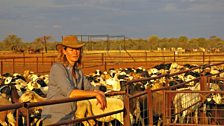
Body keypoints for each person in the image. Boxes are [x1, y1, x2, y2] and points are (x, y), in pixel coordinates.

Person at [41, 35, 107, 125]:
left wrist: (102, 91)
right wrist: (95, 94)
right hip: (55, 118)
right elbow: (70, 93)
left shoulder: (77, 71)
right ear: (64, 51)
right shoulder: (58, 68)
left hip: (70, 118)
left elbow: (89, 87)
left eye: (77, 49)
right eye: (71, 50)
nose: (75, 53)